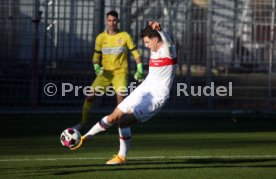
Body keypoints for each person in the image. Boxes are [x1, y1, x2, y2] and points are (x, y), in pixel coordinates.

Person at [71, 21, 177, 165]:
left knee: (123, 121)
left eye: (147, 42)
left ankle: (121, 156)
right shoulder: (153, 50)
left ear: (156, 39)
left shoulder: (168, 51)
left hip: (156, 98)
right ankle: (85, 137)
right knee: (114, 116)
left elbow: (169, 43)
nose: (146, 45)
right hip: (143, 90)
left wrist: (161, 30)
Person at [73, 10, 143, 130]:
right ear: (106, 21)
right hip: (105, 73)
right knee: (89, 97)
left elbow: (136, 53)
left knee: (121, 102)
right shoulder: (100, 38)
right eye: (109, 20)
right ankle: (83, 123)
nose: (112, 23)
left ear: (118, 21)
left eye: (114, 20)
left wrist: (140, 68)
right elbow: (96, 56)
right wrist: (96, 66)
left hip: (120, 73)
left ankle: (122, 127)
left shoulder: (125, 36)